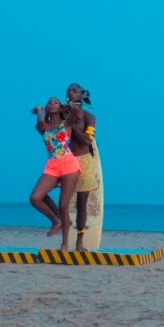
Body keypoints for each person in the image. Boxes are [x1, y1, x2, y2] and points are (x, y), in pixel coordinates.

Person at [29, 97, 81, 251]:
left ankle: (65, 243)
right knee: (35, 197)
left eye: (56, 103)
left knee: (63, 205)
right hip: (52, 166)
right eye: (50, 103)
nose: (52, 104)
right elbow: (40, 123)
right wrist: (40, 111)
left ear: (60, 107)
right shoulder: (43, 127)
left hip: (69, 165)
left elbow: (75, 110)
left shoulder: (67, 123)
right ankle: (55, 220)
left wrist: (68, 104)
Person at [63, 83, 99, 251]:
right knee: (63, 202)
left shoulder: (89, 117)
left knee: (81, 204)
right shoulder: (62, 113)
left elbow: (87, 140)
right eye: (68, 91)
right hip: (66, 160)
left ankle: (79, 241)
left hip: (84, 160)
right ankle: (63, 237)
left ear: (81, 95)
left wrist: (73, 124)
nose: (71, 93)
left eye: (74, 91)